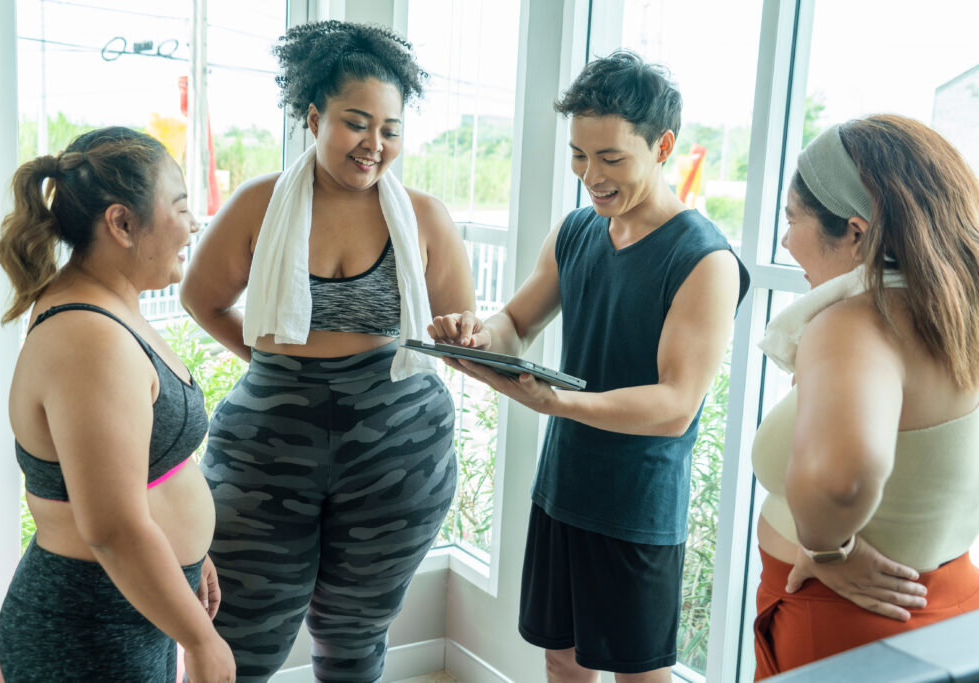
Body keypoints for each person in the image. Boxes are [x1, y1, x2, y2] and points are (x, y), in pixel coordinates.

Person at [430, 50, 749, 683]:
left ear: (663, 147)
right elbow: (515, 325)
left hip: (636, 509)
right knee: (561, 661)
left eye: (610, 159)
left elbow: (675, 405)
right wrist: (473, 332)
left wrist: (559, 403)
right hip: (563, 489)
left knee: (638, 675)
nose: (590, 177)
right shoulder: (576, 231)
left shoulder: (704, 260)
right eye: (579, 155)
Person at [180, 20, 475, 683]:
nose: (374, 144)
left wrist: (468, 336)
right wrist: (271, 364)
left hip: (397, 454)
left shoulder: (425, 218)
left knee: (354, 639)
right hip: (267, 450)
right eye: (356, 122)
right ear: (314, 117)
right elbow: (203, 297)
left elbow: (458, 332)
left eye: (391, 129)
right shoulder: (260, 203)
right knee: (238, 634)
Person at [0, 127, 235, 682]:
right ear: (122, 223)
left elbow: (142, 469)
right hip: (88, 626)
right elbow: (112, 526)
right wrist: (202, 643)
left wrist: (190, 557)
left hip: (128, 606)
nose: (194, 223)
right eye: (179, 207)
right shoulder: (88, 337)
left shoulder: (110, 305)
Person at [752, 115, 979, 678]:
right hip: (947, 609)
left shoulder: (859, 322)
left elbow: (841, 477)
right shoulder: (958, 313)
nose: (785, 240)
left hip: (845, 623)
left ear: (854, 233)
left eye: (792, 220)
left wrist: (832, 550)